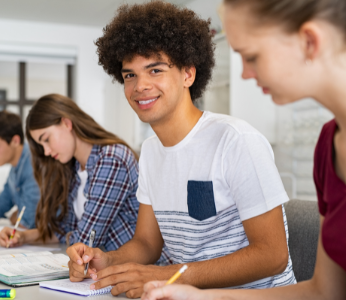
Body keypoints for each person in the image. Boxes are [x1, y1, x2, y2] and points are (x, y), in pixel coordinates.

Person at [66, 1, 296, 298]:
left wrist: (169, 275)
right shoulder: (149, 151)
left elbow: (273, 255)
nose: (140, 86)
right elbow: (148, 244)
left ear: (188, 74)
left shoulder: (236, 141)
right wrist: (106, 260)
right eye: (129, 75)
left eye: (155, 70)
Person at [141, 0, 346, 300]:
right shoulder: (328, 144)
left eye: (251, 57)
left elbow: (274, 257)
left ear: (309, 41)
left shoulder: (237, 139)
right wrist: (200, 296)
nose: (245, 74)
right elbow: (325, 292)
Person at [0, 94, 167, 262]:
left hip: (145, 272)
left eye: (47, 140)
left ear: (66, 123)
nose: (47, 151)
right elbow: (65, 230)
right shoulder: (75, 168)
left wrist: (71, 234)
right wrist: (22, 236)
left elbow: (87, 241)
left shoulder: (111, 159)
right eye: (42, 146)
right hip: (106, 273)